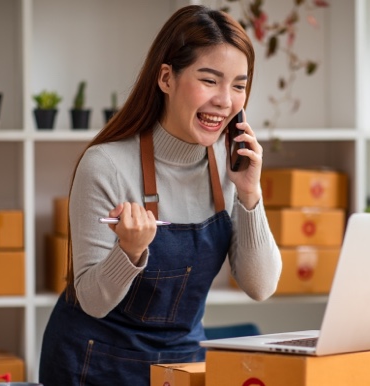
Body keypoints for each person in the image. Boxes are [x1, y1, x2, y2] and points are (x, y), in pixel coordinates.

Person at [39, 5, 282, 385]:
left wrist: (250, 193)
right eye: (209, 80)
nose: (225, 100)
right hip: (93, 365)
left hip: (182, 366)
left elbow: (261, 286)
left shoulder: (230, 163)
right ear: (166, 78)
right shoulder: (105, 165)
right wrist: (129, 252)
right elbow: (93, 300)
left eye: (238, 85)